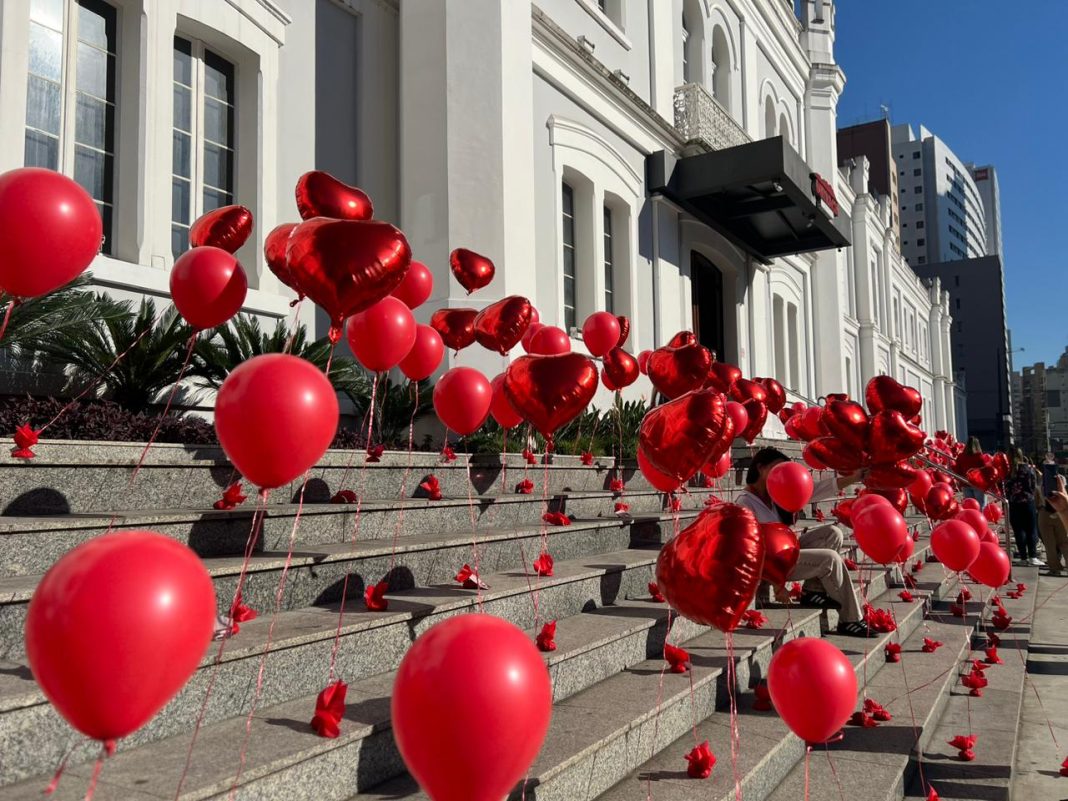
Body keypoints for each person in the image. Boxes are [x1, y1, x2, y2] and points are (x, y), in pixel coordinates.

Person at [735, 447, 871, 637]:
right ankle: (850, 619)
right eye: (776, 468)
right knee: (830, 559)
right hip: (769, 565)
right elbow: (751, 550)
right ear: (760, 468)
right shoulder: (744, 502)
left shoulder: (775, 493)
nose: (782, 473)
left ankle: (812, 592)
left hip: (785, 553)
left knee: (832, 533)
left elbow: (813, 490)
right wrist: (777, 582)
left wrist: (854, 478)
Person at [1004, 449, 1041, 566]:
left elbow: (1005, 488)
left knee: (1019, 530)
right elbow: (1033, 485)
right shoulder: (1028, 469)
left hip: (1014, 503)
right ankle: (1033, 556)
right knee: (1031, 529)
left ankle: (1023, 557)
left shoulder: (1008, 471)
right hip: (1028, 502)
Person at [1036, 459, 1068, 576]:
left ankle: (1054, 568)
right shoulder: (1061, 479)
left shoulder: (1041, 480)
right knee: (1064, 542)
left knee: (1049, 543)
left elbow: (1038, 495)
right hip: (1059, 511)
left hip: (1045, 511)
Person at [957, 436, 987, 509]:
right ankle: (980, 519)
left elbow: (957, 468)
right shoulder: (979, 456)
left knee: (969, 506)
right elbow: (985, 470)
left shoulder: (961, 456)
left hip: (965, 482)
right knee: (980, 505)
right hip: (978, 484)